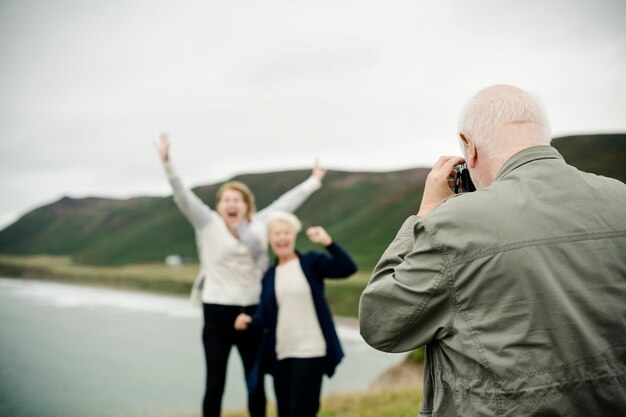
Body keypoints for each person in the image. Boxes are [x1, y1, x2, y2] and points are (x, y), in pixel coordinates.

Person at [358, 85, 626, 416]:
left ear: (469, 146)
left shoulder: (453, 223)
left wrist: (426, 212)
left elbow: (380, 323)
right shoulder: (620, 198)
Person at [156, 133, 327, 417]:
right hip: (216, 312)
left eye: (238, 200)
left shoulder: (261, 225)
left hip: (253, 312)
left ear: (247, 205)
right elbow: (182, 197)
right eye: (226, 200)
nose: (232, 204)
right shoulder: (207, 223)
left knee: (255, 380)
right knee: (215, 382)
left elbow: (288, 202)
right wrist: (167, 164)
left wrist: (314, 180)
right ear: (219, 205)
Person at [234, 211, 357, 417]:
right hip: (282, 352)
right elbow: (265, 314)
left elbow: (347, 268)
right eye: (277, 233)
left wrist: (327, 242)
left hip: (311, 349)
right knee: (284, 411)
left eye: (286, 233)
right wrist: (249, 319)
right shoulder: (269, 275)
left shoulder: (311, 262)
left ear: (293, 236)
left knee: (302, 410)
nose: (282, 238)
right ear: (270, 239)